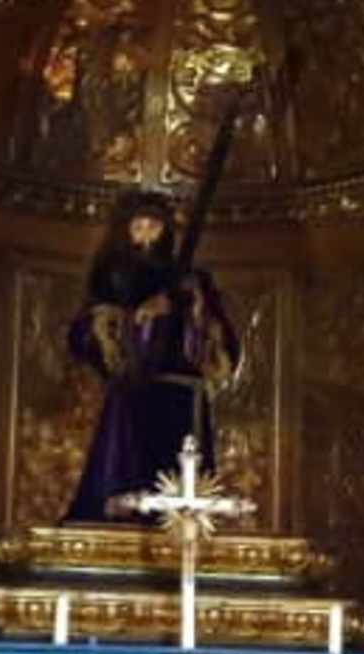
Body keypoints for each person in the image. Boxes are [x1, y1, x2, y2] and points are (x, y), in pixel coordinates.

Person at [64, 190, 241, 522]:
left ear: (166, 231)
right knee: (128, 482)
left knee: (183, 485)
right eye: (139, 227)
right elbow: (83, 334)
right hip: (134, 394)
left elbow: (220, 338)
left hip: (181, 395)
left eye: (154, 226)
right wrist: (129, 322)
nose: (146, 235)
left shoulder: (192, 280)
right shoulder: (111, 277)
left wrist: (188, 308)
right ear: (126, 231)